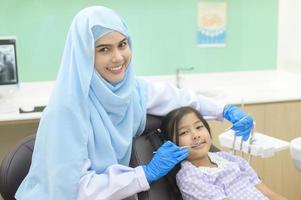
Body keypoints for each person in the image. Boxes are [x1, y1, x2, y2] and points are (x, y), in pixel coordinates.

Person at [15, 6, 253, 200]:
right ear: (84, 54)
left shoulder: (133, 91)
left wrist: (224, 111)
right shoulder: (65, 112)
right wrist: (144, 174)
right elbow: (76, 190)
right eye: (104, 49)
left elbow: (179, 98)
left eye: (122, 44)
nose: (118, 57)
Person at [159, 106, 287, 200]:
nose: (195, 135)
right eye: (184, 133)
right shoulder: (190, 177)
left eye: (199, 127)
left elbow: (269, 194)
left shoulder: (229, 159)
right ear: (170, 145)